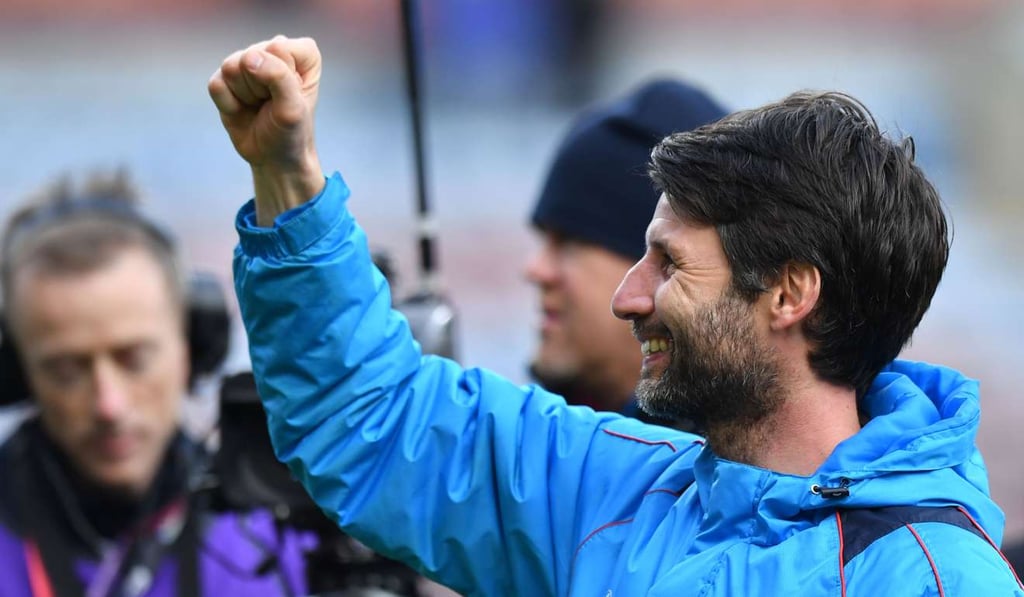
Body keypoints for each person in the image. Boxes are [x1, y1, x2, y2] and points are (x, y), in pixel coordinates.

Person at [211, 36, 1024, 595]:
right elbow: (375, 419)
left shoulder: (937, 575)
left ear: (788, 293)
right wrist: (287, 177)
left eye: (668, 263)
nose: (627, 296)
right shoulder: (615, 480)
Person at [0, 173, 311, 596]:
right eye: (66, 371)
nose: (109, 406)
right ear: (17, 373)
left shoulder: (285, 536)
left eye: (135, 360)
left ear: (195, 344)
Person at [525, 78, 726, 424]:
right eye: (544, 241)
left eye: (570, 242)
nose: (536, 270)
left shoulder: (724, 465)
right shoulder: (539, 436)